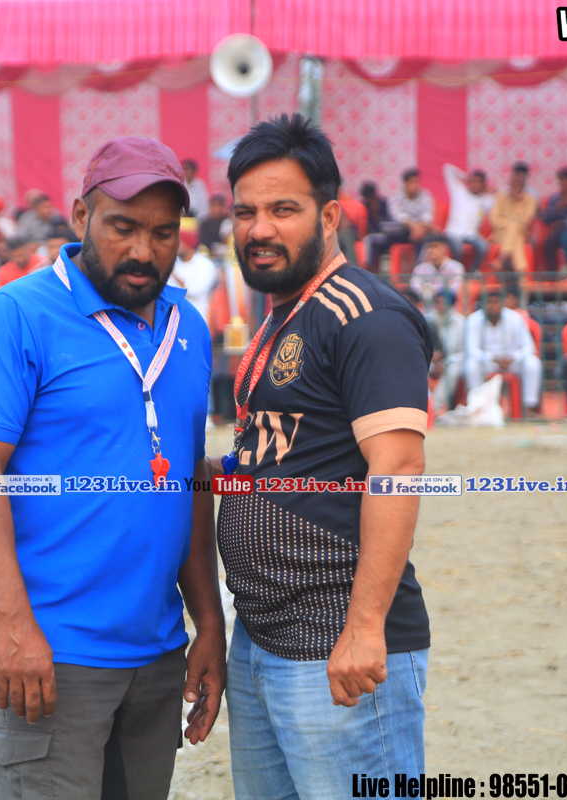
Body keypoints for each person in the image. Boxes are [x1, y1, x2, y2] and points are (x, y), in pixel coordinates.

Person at [0, 135, 223, 799]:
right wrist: (14, 626)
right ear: (80, 216)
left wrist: (209, 623)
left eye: (163, 233)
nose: (143, 250)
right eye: (122, 227)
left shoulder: (188, 327)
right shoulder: (14, 317)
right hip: (52, 655)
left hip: (157, 656)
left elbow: (189, 483)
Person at [216, 114, 432, 795]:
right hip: (260, 635)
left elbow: (397, 469)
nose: (260, 229)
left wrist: (363, 629)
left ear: (330, 215)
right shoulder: (283, 313)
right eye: (245, 212)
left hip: (338, 643)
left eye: (283, 210)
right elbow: (284, 456)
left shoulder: (365, 315)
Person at [465, 288, 542, 412]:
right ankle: (476, 407)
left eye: (496, 302)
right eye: (489, 302)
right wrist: (492, 358)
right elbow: (471, 350)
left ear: (502, 303)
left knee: (533, 363)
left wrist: (513, 357)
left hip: (511, 361)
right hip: (487, 362)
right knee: (471, 365)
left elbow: (529, 346)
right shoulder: (474, 319)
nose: (492, 306)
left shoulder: (515, 318)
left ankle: (529, 407)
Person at [364, 168, 434, 272]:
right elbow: (397, 215)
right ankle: (369, 272)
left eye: (417, 182)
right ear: (405, 183)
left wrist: (418, 228)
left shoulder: (425, 196)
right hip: (400, 232)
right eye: (412, 182)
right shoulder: (396, 196)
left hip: (419, 233)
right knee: (373, 239)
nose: (415, 185)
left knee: (427, 236)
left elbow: (428, 216)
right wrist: (413, 226)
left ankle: (416, 272)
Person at [489, 162, 537, 272]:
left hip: (522, 233)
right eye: (514, 181)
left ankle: (500, 260)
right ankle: (522, 274)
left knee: (516, 232)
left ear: (524, 182)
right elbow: (494, 220)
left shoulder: (531, 199)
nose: (516, 184)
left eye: (519, 182)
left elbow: (525, 222)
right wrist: (509, 224)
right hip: (501, 233)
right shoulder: (501, 196)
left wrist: (518, 203)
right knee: (515, 234)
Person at [441, 164, 492, 269]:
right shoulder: (460, 191)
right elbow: (447, 168)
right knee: (458, 249)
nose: (475, 184)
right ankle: (456, 272)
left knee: (484, 246)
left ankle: (473, 271)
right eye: (473, 181)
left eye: (478, 182)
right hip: (454, 233)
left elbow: (499, 198)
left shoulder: (486, 200)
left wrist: (489, 190)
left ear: (483, 184)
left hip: (471, 235)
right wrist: (465, 177)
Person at [168, 221, 218, 325]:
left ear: (188, 244)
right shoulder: (172, 263)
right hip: (173, 319)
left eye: (179, 242)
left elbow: (193, 290)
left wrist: (172, 272)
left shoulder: (205, 265)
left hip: (198, 317)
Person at [426, 289, 465, 412]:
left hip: (453, 362)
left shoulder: (460, 322)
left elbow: (464, 351)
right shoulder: (427, 320)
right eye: (437, 302)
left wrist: (446, 362)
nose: (440, 306)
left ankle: (434, 408)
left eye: (444, 303)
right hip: (430, 361)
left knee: (453, 371)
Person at [540, 166, 567, 273]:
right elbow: (546, 219)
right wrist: (557, 208)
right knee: (549, 242)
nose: (563, 183)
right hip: (558, 231)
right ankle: (552, 275)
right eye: (561, 180)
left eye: (566, 180)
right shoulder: (555, 198)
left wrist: (562, 223)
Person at [409, 234, 464, 306]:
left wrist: (431, 289)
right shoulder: (420, 268)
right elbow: (415, 287)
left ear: (444, 248)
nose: (430, 250)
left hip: (449, 306)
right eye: (428, 247)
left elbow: (455, 289)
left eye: (435, 246)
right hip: (426, 305)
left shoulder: (456, 266)